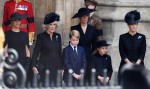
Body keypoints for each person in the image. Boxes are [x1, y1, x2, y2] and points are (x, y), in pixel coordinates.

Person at [32, 13, 62, 86]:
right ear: (47, 26)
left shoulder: (58, 36)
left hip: (56, 66)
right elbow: (36, 52)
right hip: (45, 66)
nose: (52, 26)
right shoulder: (41, 36)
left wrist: (62, 67)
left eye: (54, 24)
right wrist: (33, 65)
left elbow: (60, 53)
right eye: (50, 24)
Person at [118, 10, 146, 84]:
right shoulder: (122, 37)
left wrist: (136, 64)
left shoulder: (142, 37)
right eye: (132, 24)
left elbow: (142, 53)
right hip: (125, 65)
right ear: (128, 25)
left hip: (139, 65)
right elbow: (122, 53)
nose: (134, 26)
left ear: (137, 24)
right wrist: (129, 64)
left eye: (135, 24)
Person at [71, 7, 97, 85]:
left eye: (87, 15)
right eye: (83, 16)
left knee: (88, 80)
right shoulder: (74, 28)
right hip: (77, 57)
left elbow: (95, 45)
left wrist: (92, 56)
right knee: (78, 80)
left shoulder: (92, 29)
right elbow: (71, 45)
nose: (85, 17)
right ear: (79, 17)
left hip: (89, 57)